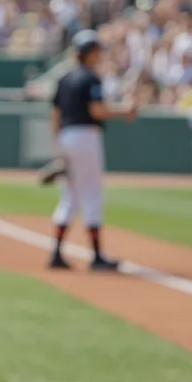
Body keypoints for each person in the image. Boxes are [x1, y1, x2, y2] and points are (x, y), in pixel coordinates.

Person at [48, 30, 136, 271]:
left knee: (70, 194)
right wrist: (123, 111)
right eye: (97, 51)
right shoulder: (91, 79)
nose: (99, 56)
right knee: (91, 192)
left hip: (66, 136)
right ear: (89, 53)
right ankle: (97, 256)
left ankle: (55, 253)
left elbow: (55, 115)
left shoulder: (64, 78)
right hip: (86, 136)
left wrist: (57, 147)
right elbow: (97, 110)